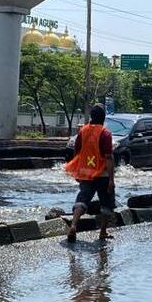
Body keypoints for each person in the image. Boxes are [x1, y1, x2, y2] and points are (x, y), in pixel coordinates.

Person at [64, 103, 115, 242]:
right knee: (106, 203)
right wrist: (111, 180)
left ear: (91, 116)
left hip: (86, 173)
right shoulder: (105, 133)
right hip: (102, 174)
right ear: (104, 118)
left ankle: (74, 225)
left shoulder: (83, 131)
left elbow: (77, 153)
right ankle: (103, 231)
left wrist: (77, 171)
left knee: (82, 199)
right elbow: (109, 157)